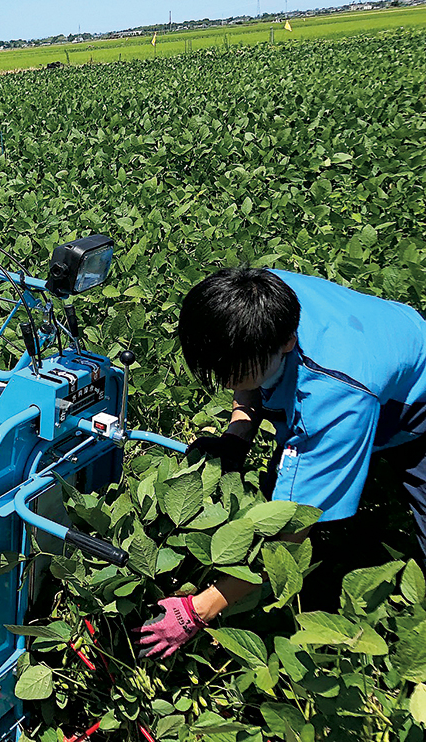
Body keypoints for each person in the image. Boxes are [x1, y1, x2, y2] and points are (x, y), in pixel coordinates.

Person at [136, 266, 426, 658]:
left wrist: (197, 610)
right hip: (384, 333)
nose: (225, 382)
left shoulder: (335, 402)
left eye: (235, 372)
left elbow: (289, 537)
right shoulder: (252, 297)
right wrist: (239, 433)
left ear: (288, 341)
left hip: (413, 401)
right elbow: (244, 369)